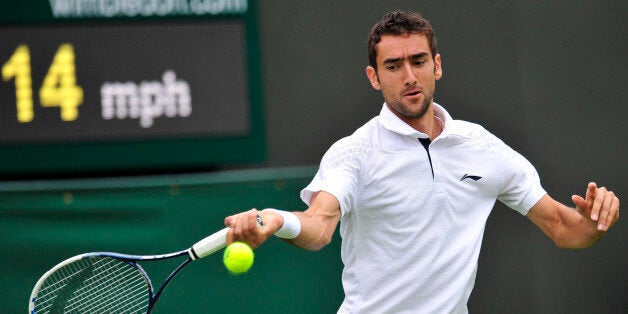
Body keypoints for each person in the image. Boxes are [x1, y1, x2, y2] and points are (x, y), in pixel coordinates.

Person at [224, 11, 620, 313]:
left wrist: (594, 223)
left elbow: (564, 228)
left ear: (437, 65)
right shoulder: (354, 153)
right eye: (393, 66)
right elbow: (319, 225)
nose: (409, 76)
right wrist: (278, 219)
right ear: (374, 77)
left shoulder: (483, 147)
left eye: (418, 61)